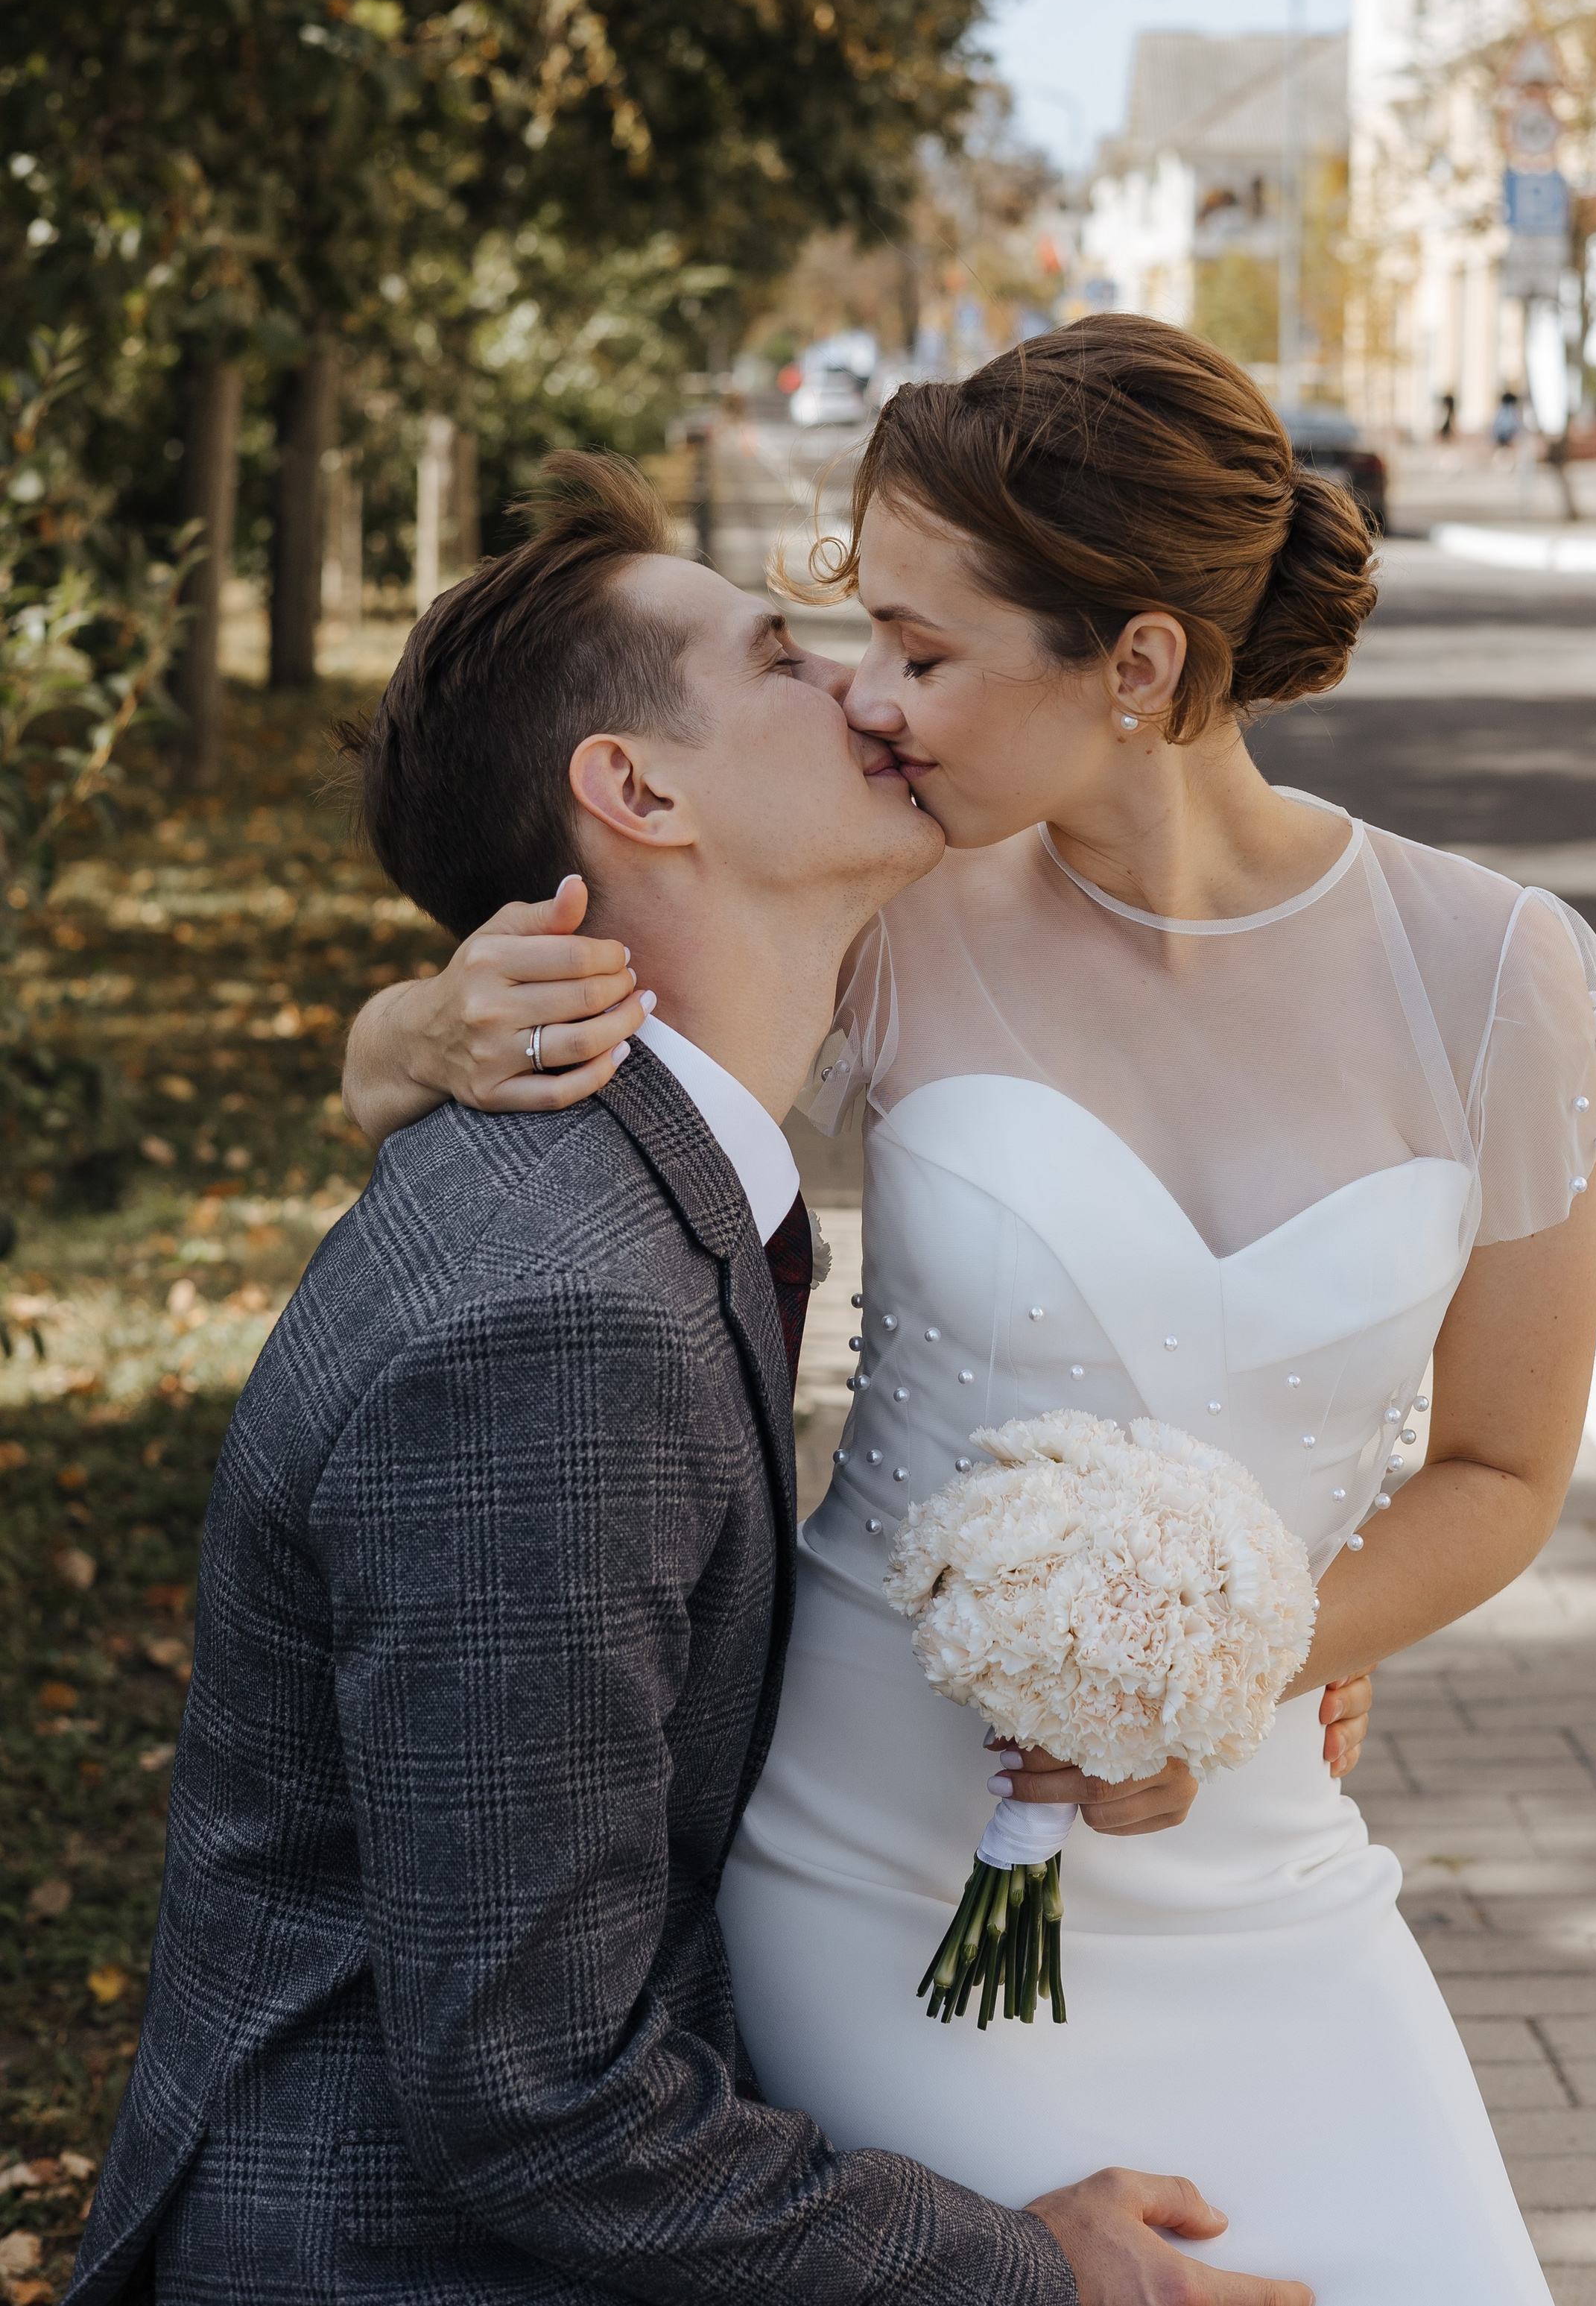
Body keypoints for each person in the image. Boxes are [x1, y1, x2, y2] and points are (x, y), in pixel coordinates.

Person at [346, 318, 1596, 2305]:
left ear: (1135, 666)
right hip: (875, 1864)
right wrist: (400, 1035)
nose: (872, 703)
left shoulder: (1495, 976)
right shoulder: (899, 915)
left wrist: (1258, 1641)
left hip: (1271, 1864)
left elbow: (1499, 1464)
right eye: (863, 638)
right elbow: (591, 1101)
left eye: (925, 652)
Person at [70, 452, 1313, 2306]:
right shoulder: (553, 1325)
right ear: (636, 790)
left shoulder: (617, 1176)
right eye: (787, 662)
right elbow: (540, 2101)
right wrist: (1028, 2274)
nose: (866, 692)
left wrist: (1238, 1621)